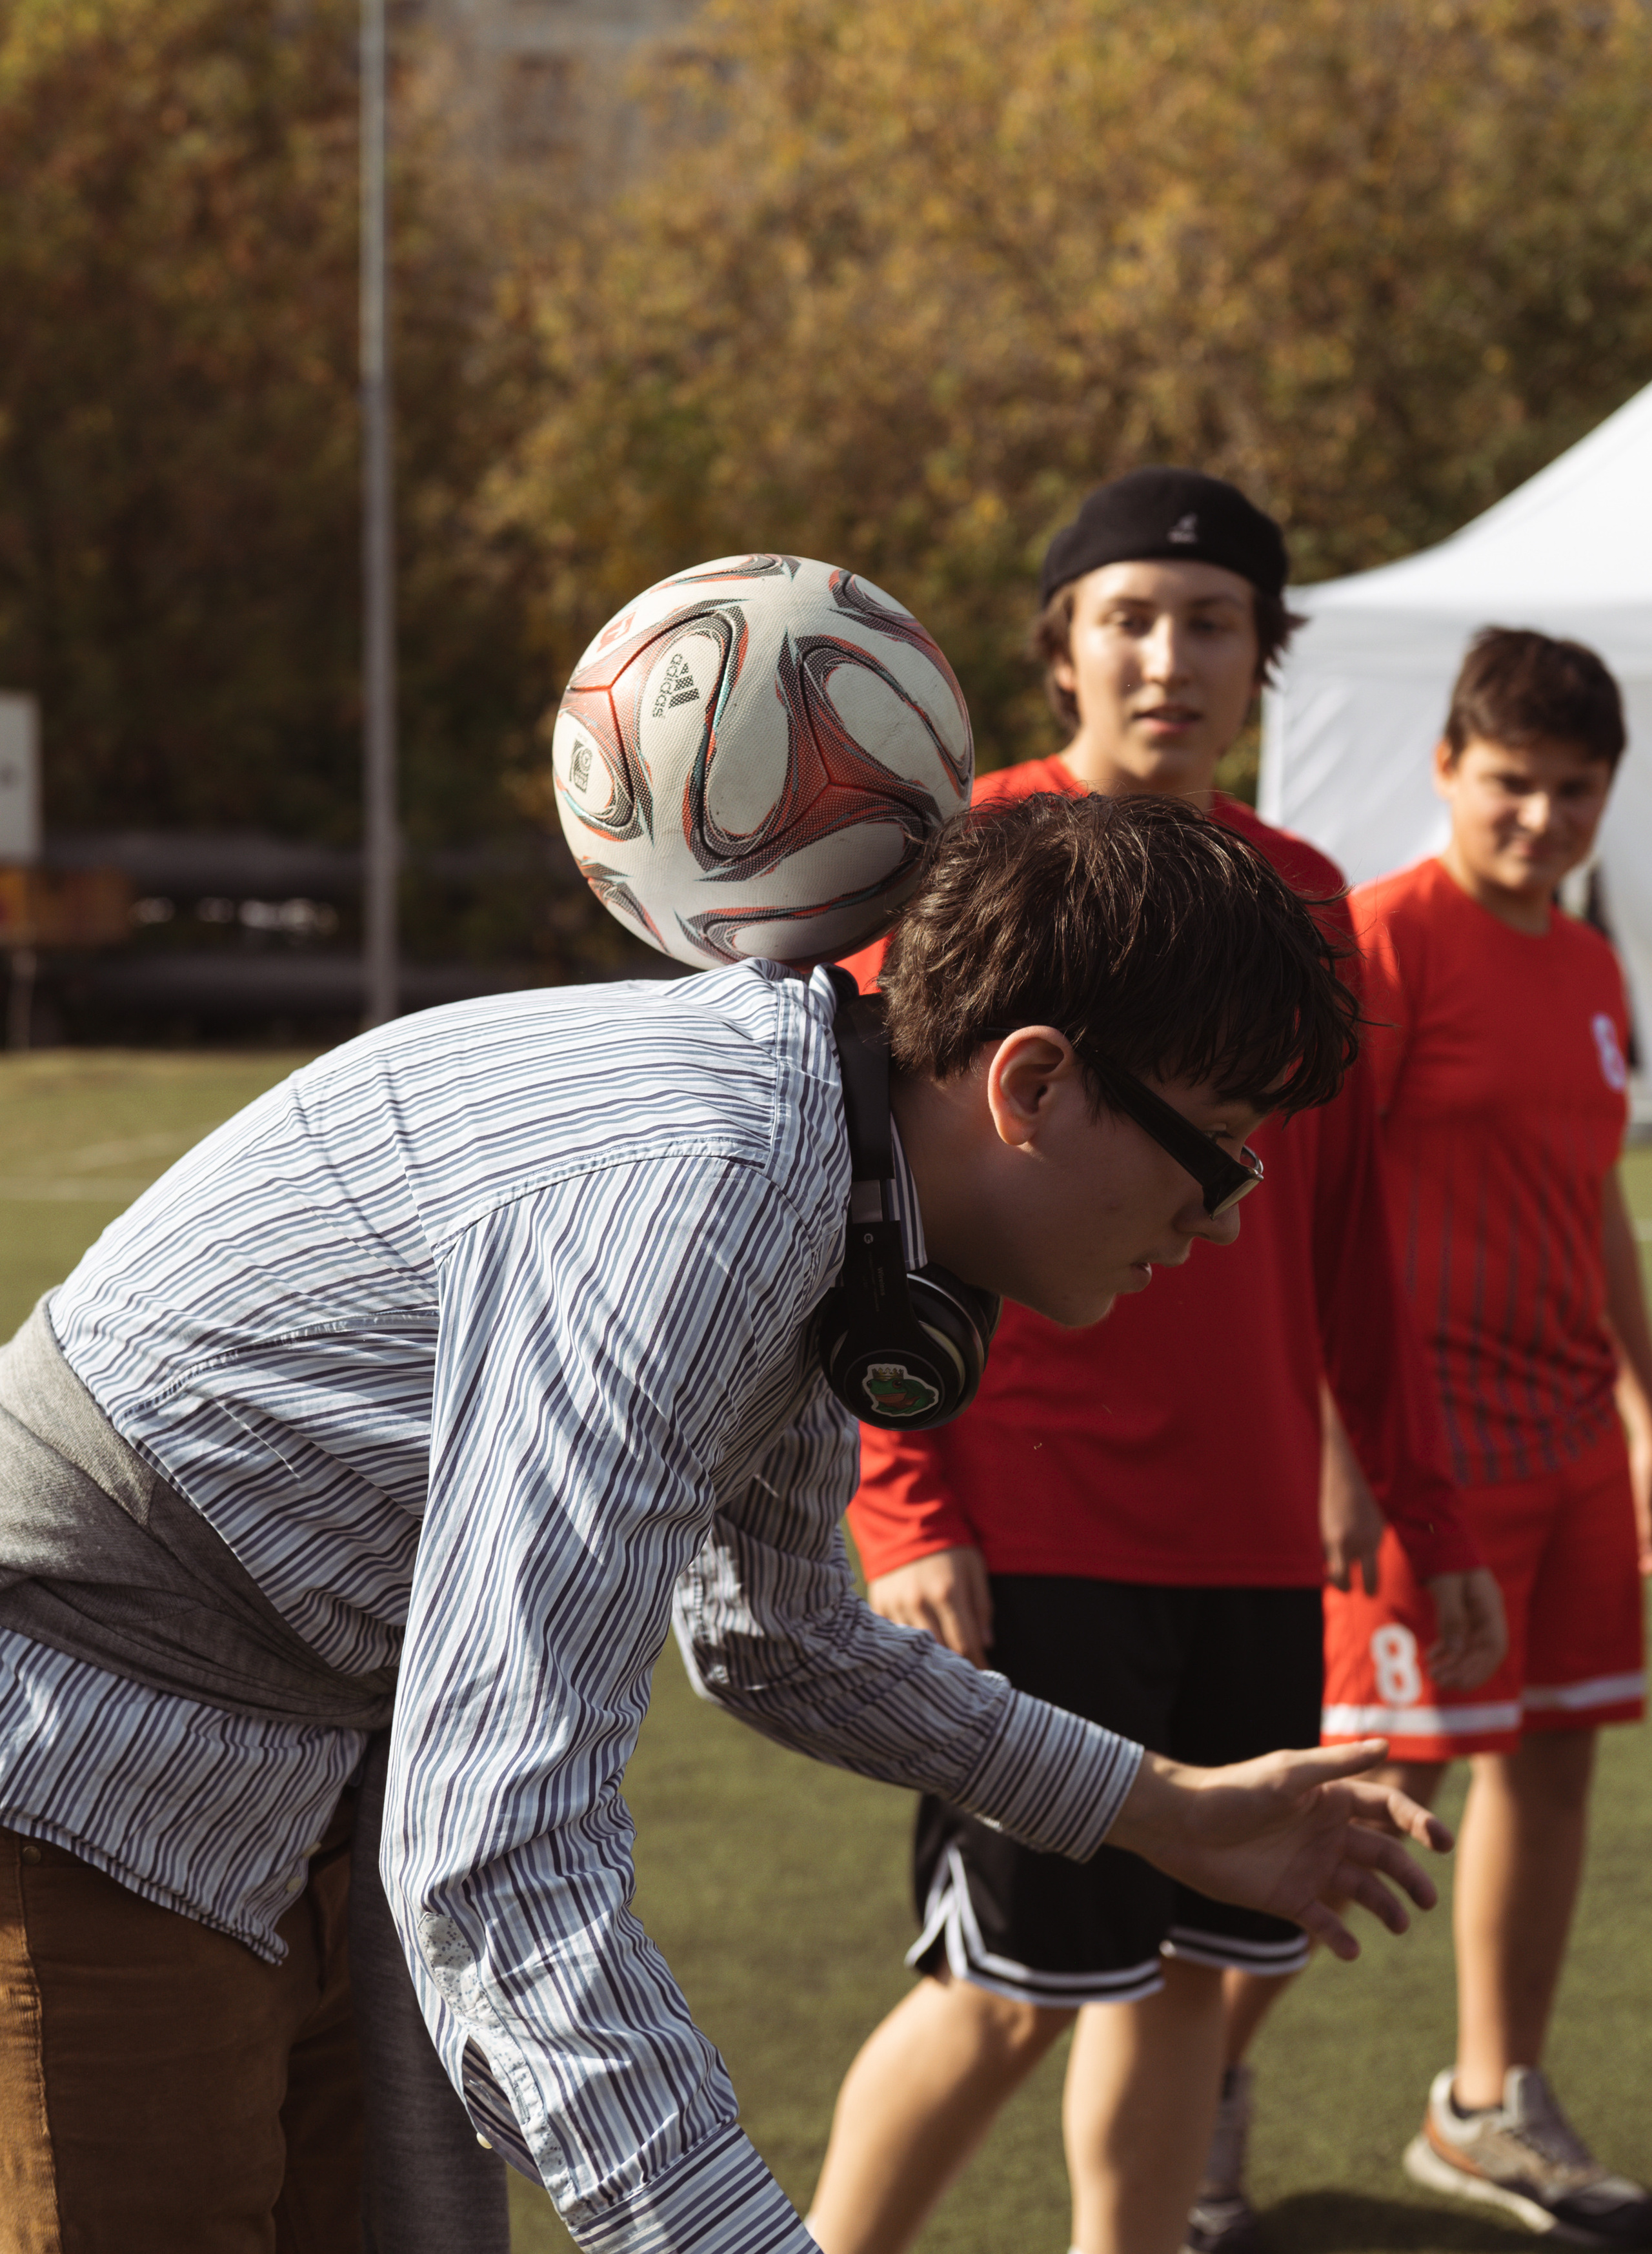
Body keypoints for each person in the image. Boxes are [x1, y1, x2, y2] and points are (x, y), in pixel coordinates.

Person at [0, 788, 1455, 2254]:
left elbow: (778, 1633)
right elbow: (495, 1835)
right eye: (1218, 1149)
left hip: (289, 1756)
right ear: (1030, 1084)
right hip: (85, 1757)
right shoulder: (720, 1188)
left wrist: (1159, 1810)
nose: (1224, 1218)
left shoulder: (832, 1149)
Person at [805, 471, 1506, 2254]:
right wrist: (906, 1507)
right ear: (1063, 650)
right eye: (1129, 617)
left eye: (1210, 622)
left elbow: (1345, 1240)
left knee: (1190, 1966)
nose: (1169, 657)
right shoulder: (970, 865)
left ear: (1261, 655)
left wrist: (1425, 1511)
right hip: (1031, 1526)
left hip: (1251, 1538)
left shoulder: (1306, 897)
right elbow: (861, 1184)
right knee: (1006, 1991)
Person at [1296, 627, 1652, 2244]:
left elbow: (1593, 1205)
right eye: (1511, 782)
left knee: (1552, 1765)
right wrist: (1331, 1447)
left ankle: (1485, 2101)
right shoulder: (1382, 942)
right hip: (1418, 1459)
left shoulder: (1589, 962)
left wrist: (1643, 1411)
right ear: (1444, 766)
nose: (1540, 818)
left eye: (1574, 790)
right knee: (1358, 1795)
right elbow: (1301, 1203)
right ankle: (1190, 2101)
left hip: (1569, 1448)